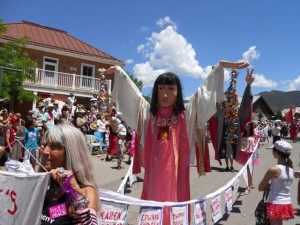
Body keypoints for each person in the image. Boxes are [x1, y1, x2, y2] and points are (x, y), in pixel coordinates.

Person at [106, 60, 249, 225]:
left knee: (176, 202)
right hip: (154, 171)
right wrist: (119, 73)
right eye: (161, 89)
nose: (165, 95)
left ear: (178, 92)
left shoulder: (185, 114)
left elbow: (204, 93)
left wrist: (220, 67)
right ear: (155, 91)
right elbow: (133, 94)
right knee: (153, 200)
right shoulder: (147, 112)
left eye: (170, 89)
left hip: (177, 170)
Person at [39, 125, 99, 225]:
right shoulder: (45, 181)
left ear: (71, 153)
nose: (44, 151)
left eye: (54, 147)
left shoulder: (86, 191)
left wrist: (75, 194)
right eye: (44, 145)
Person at [209, 68, 254, 172]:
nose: (230, 102)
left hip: (234, 135)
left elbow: (246, 103)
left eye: (232, 100)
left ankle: (232, 165)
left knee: (233, 150)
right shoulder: (221, 112)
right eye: (228, 100)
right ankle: (227, 166)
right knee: (225, 150)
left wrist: (248, 85)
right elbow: (214, 102)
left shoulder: (238, 113)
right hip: (224, 135)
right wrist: (215, 81)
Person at [258, 140, 297, 225]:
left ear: (277, 153)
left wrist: (268, 185)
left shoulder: (274, 169)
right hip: (285, 203)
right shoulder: (290, 169)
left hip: (275, 203)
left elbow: (260, 188)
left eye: (273, 150)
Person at [236, 121, 260, 194]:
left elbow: (258, 146)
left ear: (251, 126)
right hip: (244, 154)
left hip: (251, 155)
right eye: (245, 126)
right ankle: (250, 183)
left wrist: (257, 141)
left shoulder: (255, 134)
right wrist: (238, 152)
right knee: (247, 170)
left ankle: (248, 188)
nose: (246, 127)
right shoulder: (243, 134)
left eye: (247, 126)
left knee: (249, 170)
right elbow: (241, 144)